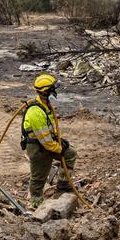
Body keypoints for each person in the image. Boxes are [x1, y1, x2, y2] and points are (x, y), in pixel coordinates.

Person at [20, 73, 77, 206]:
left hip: (49, 143)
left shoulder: (45, 104)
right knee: (39, 176)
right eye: (53, 88)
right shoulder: (36, 111)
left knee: (70, 154)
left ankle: (63, 185)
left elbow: (50, 128)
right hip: (37, 148)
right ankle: (36, 202)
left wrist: (60, 142)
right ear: (46, 91)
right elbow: (44, 139)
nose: (55, 91)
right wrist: (59, 148)